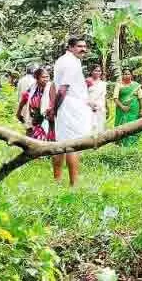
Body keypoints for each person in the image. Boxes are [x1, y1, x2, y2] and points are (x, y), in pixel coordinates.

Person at [53, 37, 92, 186]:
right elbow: (62, 89)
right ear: (70, 47)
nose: (83, 49)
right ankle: (74, 184)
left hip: (68, 105)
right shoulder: (70, 63)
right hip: (69, 107)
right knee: (72, 145)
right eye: (79, 46)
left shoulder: (66, 60)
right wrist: (55, 109)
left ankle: (57, 180)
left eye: (84, 47)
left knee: (61, 143)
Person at [16, 68, 55, 141]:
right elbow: (24, 97)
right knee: (32, 140)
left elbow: (54, 102)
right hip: (35, 119)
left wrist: (50, 109)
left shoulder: (51, 87)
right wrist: (19, 112)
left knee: (46, 140)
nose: (46, 79)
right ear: (37, 78)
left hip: (47, 119)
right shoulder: (33, 88)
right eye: (43, 77)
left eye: (47, 77)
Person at [114, 68, 142, 147]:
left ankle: (132, 144)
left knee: (134, 125)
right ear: (122, 75)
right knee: (122, 125)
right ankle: (120, 143)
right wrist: (122, 107)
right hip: (122, 110)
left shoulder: (136, 85)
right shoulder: (119, 85)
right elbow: (115, 98)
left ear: (131, 75)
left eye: (128, 74)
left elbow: (141, 98)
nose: (127, 76)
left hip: (134, 110)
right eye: (125, 74)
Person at [86, 64, 107, 134]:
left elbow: (104, 97)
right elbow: (83, 95)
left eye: (99, 71)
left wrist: (106, 107)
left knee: (100, 126)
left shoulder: (103, 83)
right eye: (96, 70)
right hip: (89, 107)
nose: (98, 72)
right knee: (90, 127)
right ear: (91, 71)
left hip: (101, 107)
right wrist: (90, 104)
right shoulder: (87, 81)